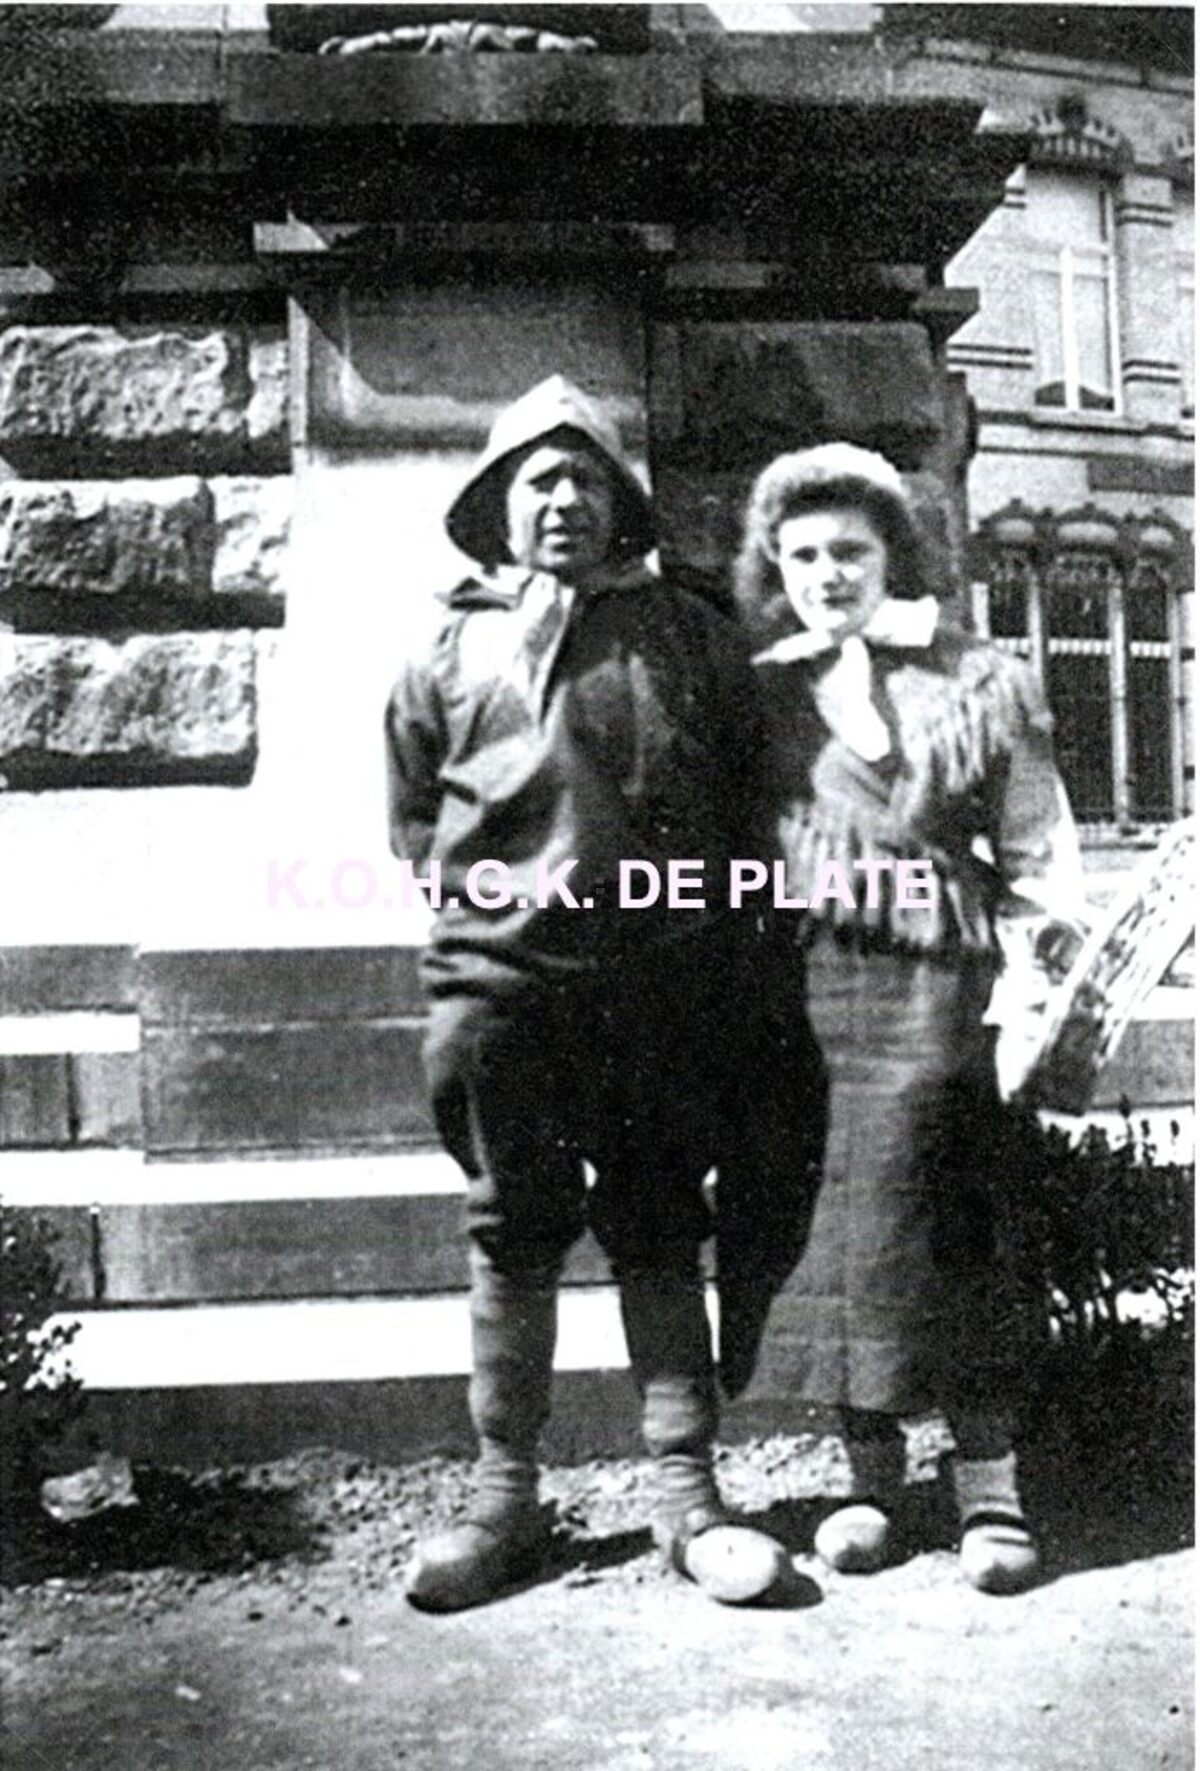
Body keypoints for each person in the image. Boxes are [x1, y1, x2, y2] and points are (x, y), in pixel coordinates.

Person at [386, 376, 822, 1613]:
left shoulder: (688, 633)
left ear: (622, 502)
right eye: (540, 479)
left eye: (587, 477)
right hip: (502, 991)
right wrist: (501, 918)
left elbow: (754, 805)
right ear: (498, 506)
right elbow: (414, 818)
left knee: (659, 1222)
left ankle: (688, 1496)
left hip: (660, 990)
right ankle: (504, 1500)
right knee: (511, 1228)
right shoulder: (446, 645)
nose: (565, 499)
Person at [735, 443, 1085, 1595]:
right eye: (803, 556)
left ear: (895, 556)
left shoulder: (981, 677)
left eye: (850, 551)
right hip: (811, 994)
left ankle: (990, 1488)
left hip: (946, 992)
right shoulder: (763, 692)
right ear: (776, 567)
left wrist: (1029, 994)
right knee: (839, 1238)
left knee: (960, 1234)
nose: (827, 574)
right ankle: (870, 1481)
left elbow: (1039, 852)